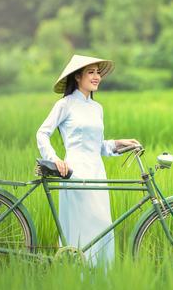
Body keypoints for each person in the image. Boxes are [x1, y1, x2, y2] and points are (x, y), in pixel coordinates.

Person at [36, 54, 140, 268]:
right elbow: (42, 134)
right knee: (85, 226)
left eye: (98, 73)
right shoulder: (65, 105)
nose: (96, 77)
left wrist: (119, 144)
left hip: (97, 173)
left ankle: (99, 282)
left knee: (103, 227)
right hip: (75, 172)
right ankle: (77, 277)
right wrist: (54, 159)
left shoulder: (96, 108)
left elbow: (98, 145)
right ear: (77, 77)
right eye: (90, 72)